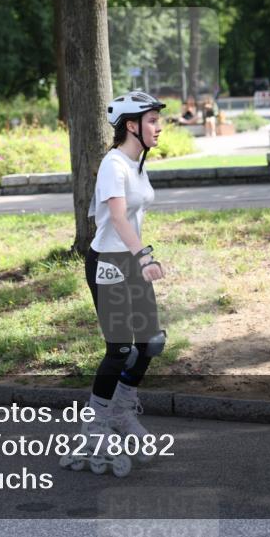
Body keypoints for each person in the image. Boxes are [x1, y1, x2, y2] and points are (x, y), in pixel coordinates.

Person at [72, 91, 168, 474]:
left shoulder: (137, 163)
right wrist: (144, 256)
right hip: (110, 262)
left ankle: (123, 412)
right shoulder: (114, 164)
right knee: (119, 350)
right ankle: (94, 425)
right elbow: (117, 218)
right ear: (132, 125)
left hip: (130, 261)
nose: (158, 127)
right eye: (151, 121)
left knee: (149, 343)